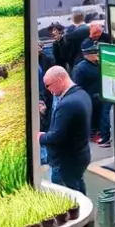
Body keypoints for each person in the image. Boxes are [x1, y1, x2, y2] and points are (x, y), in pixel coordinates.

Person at [39, 66, 92, 194]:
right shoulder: (82, 95)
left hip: (65, 162)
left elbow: (57, 136)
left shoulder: (67, 104)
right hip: (80, 155)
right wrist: (46, 113)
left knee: (66, 199)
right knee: (78, 190)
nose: (49, 90)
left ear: (60, 80)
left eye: (48, 85)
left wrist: (40, 137)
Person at [71, 45, 110, 147]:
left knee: (101, 116)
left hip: (101, 95)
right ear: (87, 55)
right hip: (89, 97)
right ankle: (92, 134)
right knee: (91, 117)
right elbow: (77, 84)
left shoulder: (98, 64)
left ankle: (99, 133)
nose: (97, 54)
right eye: (94, 53)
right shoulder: (80, 68)